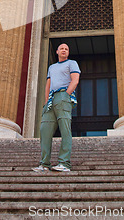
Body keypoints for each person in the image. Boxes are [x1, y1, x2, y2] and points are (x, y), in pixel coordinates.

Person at [32, 43, 80, 172]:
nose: (64, 50)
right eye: (62, 49)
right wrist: (46, 100)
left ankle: (64, 163)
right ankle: (44, 164)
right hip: (52, 99)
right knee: (44, 130)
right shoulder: (52, 67)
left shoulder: (72, 63)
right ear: (57, 52)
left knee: (65, 129)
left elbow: (75, 80)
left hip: (63, 96)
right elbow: (48, 84)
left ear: (68, 53)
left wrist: (66, 94)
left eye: (66, 49)